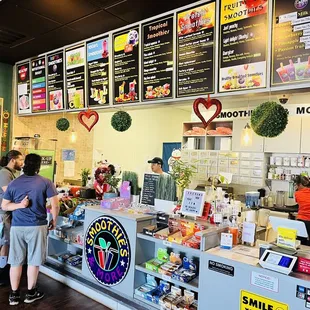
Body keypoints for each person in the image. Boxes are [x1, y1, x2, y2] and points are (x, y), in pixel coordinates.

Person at [1, 153, 59, 306]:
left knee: (15, 261)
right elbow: (55, 205)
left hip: (17, 227)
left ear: (25, 164)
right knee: (33, 261)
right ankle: (31, 293)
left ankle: (14, 295)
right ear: (39, 166)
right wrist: (54, 220)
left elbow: (4, 205)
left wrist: (20, 205)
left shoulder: (14, 183)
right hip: (37, 226)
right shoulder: (46, 182)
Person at [0, 150, 24, 286]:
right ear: (13, 160)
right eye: (20, 160)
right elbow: (8, 192)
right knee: (5, 242)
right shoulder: (4, 173)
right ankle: (2, 273)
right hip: (3, 214)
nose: (22, 163)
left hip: (6, 213)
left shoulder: (10, 173)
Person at [294, 175, 310, 245]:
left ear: (300, 184)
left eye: (296, 185)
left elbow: (298, 202)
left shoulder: (297, 193)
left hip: (302, 221)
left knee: (301, 241)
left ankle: (302, 255)